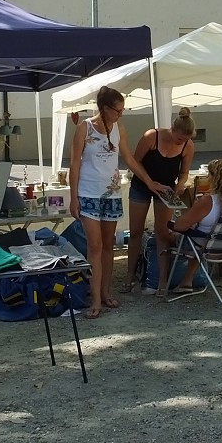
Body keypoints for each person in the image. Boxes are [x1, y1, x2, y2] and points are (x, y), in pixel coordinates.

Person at [68, 86, 168, 319]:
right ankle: (95, 300)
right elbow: (74, 163)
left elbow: (129, 159)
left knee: (108, 246)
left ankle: (105, 292)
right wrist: (73, 197)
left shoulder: (118, 128)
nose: (120, 114)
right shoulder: (85, 127)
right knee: (94, 247)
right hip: (88, 192)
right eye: (117, 110)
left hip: (111, 193)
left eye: (123, 110)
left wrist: (149, 181)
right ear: (105, 108)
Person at [123, 107, 197, 294]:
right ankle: (129, 277)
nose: (181, 142)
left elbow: (184, 172)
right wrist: (149, 182)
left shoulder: (188, 146)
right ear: (172, 130)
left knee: (162, 233)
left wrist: (181, 183)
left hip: (166, 190)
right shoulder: (151, 136)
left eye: (185, 140)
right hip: (142, 185)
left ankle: (162, 282)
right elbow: (134, 161)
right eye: (179, 138)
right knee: (135, 232)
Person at [163, 158, 222, 296]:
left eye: (209, 174)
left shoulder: (207, 201)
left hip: (206, 244)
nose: (208, 177)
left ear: (215, 178)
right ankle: (187, 280)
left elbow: (179, 226)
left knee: (164, 235)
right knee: (198, 238)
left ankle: (161, 283)